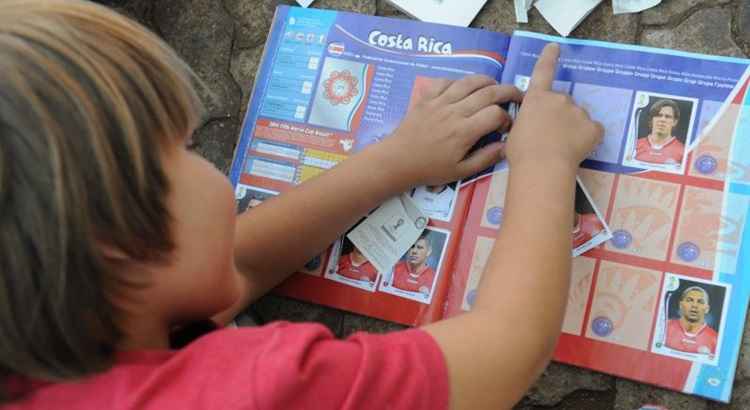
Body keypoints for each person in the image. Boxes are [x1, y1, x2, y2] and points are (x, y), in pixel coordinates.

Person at [0, 2, 603, 409]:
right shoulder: (253, 390)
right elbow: (505, 351)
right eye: (181, 150)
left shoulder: (55, 315)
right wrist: (545, 164)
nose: (204, 159)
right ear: (119, 244)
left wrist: (397, 159)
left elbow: (230, 269)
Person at [665, 286, 718, 355]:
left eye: (700, 302)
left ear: (707, 309)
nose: (694, 305)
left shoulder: (715, 339)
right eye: (689, 300)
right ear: (681, 305)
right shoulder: (664, 327)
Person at [634, 99, 686, 166]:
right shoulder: (634, 145)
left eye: (667, 116)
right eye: (658, 115)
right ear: (651, 119)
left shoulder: (683, 151)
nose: (662, 119)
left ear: (674, 122)